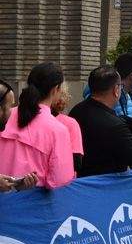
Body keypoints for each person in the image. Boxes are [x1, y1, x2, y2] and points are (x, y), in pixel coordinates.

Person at [69, 66, 132, 176]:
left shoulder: (76, 111)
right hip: (106, 186)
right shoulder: (114, 125)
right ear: (116, 90)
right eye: (121, 86)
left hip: (80, 182)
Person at [0, 63, 77, 191]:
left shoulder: (6, 115)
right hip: (31, 205)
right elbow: (59, 182)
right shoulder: (57, 130)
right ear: (55, 89)